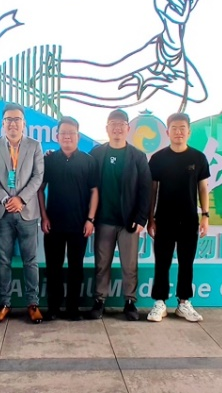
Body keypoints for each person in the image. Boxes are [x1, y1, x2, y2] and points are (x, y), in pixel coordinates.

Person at [0, 102, 45, 324]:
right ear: (3, 123)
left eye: (16, 119)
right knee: (3, 261)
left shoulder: (34, 146)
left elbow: (38, 176)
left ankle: (33, 304)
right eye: (8, 119)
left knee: (31, 261)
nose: (12, 123)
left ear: (23, 123)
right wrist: (5, 199)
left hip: (27, 211)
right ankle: (5, 304)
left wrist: (21, 199)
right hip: (2, 212)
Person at [146, 113, 210, 323]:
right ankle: (160, 302)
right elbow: (152, 190)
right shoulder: (158, 158)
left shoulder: (198, 158)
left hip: (189, 219)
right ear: (167, 132)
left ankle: (184, 303)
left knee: (186, 262)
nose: (178, 132)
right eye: (174, 128)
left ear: (189, 132)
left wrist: (205, 216)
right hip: (164, 219)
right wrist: (150, 218)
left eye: (182, 128)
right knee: (162, 262)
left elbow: (203, 188)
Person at [88, 109, 151, 321]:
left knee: (129, 264)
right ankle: (99, 300)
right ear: (107, 128)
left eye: (121, 124)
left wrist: (141, 218)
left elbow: (146, 189)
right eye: (113, 124)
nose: (117, 128)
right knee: (101, 263)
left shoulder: (138, 156)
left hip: (129, 222)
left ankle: (130, 302)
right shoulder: (97, 154)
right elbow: (88, 184)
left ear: (128, 128)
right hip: (103, 220)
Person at [38, 116, 99, 321]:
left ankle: (73, 308)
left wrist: (90, 219)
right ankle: (53, 308)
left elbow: (95, 191)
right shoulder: (48, 160)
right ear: (57, 136)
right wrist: (43, 216)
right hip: (53, 224)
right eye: (63, 133)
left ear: (78, 136)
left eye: (71, 133)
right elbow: (40, 189)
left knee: (76, 268)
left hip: (79, 225)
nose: (67, 137)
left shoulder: (88, 161)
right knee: (53, 268)